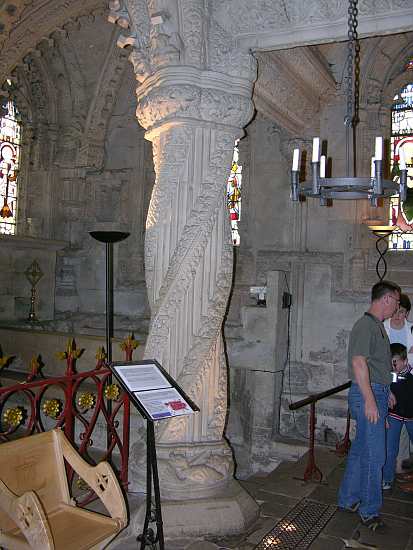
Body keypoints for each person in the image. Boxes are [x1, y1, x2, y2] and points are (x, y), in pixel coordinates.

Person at [338, 280, 401, 531]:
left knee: (362, 450)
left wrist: (386, 395)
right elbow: (358, 363)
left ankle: (348, 499)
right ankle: (369, 511)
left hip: (376, 392)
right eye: (396, 301)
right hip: (368, 394)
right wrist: (371, 401)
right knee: (376, 456)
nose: (397, 306)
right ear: (385, 299)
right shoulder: (366, 325)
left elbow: (375, 367)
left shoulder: (377, 326)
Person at [383, 293, 413, 473]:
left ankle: (403, 472)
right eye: (395, 311)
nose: (397, 315)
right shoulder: (382, 329)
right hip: (389, 383)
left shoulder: (411, 330)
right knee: (391, 437)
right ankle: (389, 474)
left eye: (402, 312)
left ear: (407, 313)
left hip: (408, 384)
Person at [382, 343, 413, 490]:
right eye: (390, 362)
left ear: (405, 361)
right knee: (390, 447)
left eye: (395, 362)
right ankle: (387, 478)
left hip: (411, 416)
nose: (392, 366)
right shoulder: (391, 375)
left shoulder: (411, 374)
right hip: (394, 415)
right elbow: (384, 386)